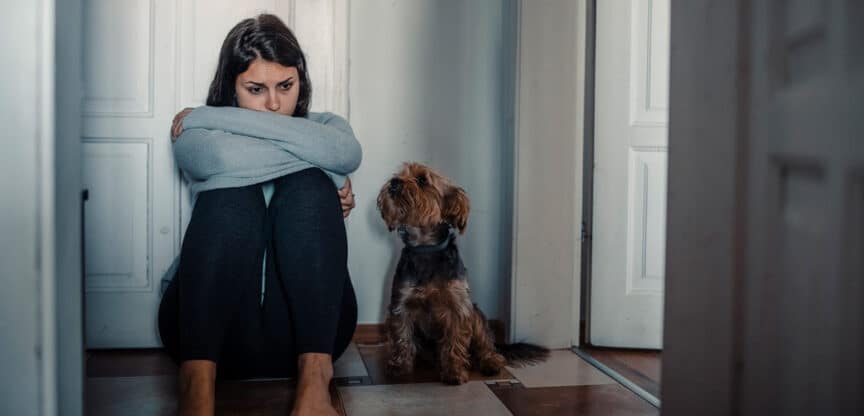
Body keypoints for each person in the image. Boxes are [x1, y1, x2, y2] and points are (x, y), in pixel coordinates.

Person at [157, 14, 360, 416]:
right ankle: (196, 390)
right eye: (255, 89)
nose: (273, 104)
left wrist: (209, 115)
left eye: (286, 86)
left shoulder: (324, 124)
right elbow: (215, 157)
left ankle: (316, 388)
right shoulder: (198, 134)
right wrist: (326, 167)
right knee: (233, 198)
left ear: (300, 79)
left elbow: (348, 154)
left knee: (308, 188)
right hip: (209, 334)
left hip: (311, 336)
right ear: (230, 89)